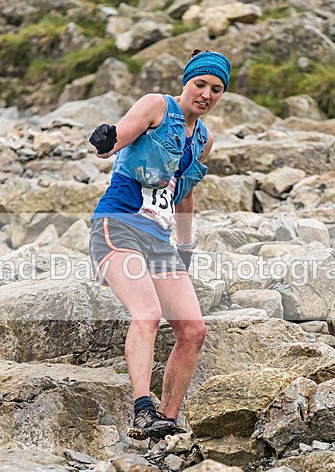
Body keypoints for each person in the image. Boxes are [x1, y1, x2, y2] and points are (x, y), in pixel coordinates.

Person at [87, 50, 230, 440]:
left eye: (216, 89)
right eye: (200, 84)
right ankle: (141, 408)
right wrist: (104, 139)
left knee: (193, 330)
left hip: (159, 239)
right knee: (147, 314)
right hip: (118, 224)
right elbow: (115, 141)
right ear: (186, 82)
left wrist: (185, 246)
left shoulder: (203, 139)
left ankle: (164, 420)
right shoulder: (156, 106)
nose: (206, 94)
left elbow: (184, 194)